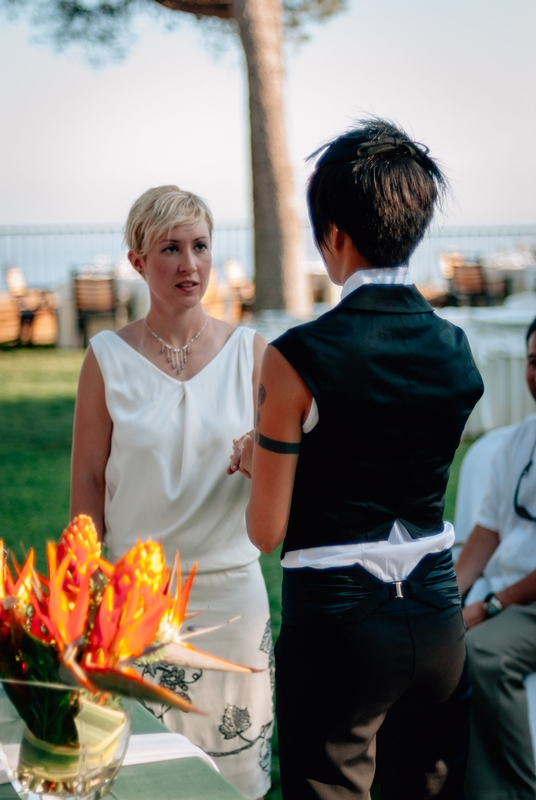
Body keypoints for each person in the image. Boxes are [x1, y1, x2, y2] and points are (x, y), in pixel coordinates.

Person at [230, 119, 484, 799]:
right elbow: (394, 448)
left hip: (339, 624)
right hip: (437, 617)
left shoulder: (296, 356)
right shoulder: (457, 350)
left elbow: (265, 531)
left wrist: (263, 459)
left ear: (334, 235)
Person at [70, 185, 273, 800]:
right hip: (135, 600)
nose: (189, 264)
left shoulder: (254, 354)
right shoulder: (105, 358)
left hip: (232, 600)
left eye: (201, 246)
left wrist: (261, 451)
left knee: (236, 783)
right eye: (170, 248)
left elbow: (300, 462)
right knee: (140, 780)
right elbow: (87, 479)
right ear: (137, 261)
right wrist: (80, 589)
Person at [455, 317, 536, 800]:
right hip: (507, 599)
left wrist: (487, 608)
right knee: (433, 646)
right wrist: (447, 600)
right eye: (532, 361)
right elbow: (485, 533)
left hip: (523, 604)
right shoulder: (519, 440)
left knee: (483, 655)